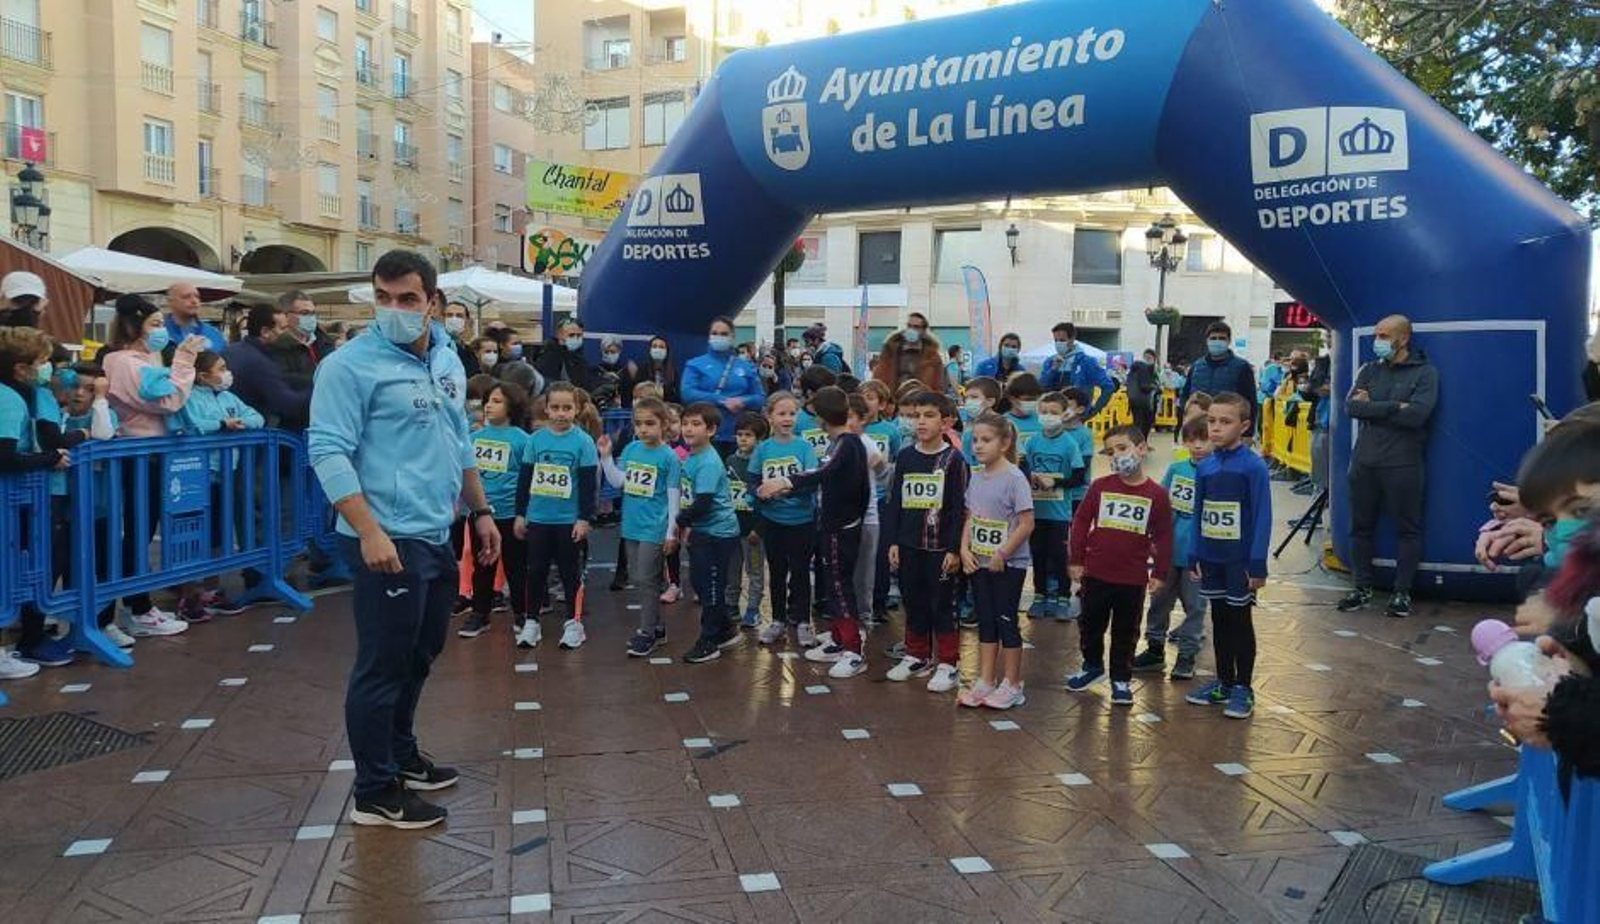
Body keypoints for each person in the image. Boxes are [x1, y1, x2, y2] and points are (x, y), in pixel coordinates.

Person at [307, 249, 500, 829]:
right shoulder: (347, 366)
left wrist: (481, 510)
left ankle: (401, 753)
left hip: (436, 529)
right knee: (383, 664)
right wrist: (368, 531)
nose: (394, 309)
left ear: (432, 303)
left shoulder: (446, 356)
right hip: (385, 537)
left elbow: (459, 439)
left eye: (408, 299)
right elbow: (327, 450)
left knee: (421, 652)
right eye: (383, 298)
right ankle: (375, 792)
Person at [104, 295, 206, 637]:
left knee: (140, 532)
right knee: (134, 532)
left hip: (151, 455)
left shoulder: (143, 359)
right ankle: (134, 608)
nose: (162, 331)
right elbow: (167, 400)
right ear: (135, 326)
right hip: (136, 456)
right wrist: (184, 361)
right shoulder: (124, 363)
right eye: (156, 324)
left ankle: (137, 605)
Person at [758, 386, 872, 678]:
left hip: (841, 528)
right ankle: (837, 639)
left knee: (840, 587)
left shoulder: (848, 443)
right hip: (832, 525)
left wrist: (784, 481)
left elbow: (822, 472)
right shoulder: (839, 443)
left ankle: (854, 650)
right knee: (832, 585)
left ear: (822, 416)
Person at [1337, 315, 1440, 618]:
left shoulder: (1425, 373)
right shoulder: (1369, 369)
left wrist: (1373, 406)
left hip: (1403, 464)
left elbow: (1418, 415)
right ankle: (1361, 588)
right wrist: (1395, 406)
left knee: (1408, 529)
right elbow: (1351, 407)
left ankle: (1401, 593)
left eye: (1384, 336)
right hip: (1364, 461)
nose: (1377, 341)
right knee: (1360, 527)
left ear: (1403, 338)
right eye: (1376, 335)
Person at [1064, 425, 1174, 707]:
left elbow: (1163, 535)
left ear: (1142, 448)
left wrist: (1159, 572)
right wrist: (1076, 558)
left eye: (1122, 448)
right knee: (1090, 624)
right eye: (1110, 452)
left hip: (1132, 578)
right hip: (1096, 573)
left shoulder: (1157, 494)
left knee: (1126, 631)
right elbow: (1080, 522)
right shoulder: (1100, 486)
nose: (1117, 456)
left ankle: (1121, 679)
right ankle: (1092, 666)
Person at [1183, 392, 1271, 720]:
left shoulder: (1253, 466)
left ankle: (1243, 687)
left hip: (1239, 561)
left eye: (1225, 421)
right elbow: (1198, 511)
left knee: (1239, 621)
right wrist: (1194, 553)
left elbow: (1262, 516)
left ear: (1244, 426)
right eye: (1212, 421)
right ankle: (1223, 681)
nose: (1216, 428)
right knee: (1219, 619)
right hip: (1211, 557)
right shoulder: (1205, 466)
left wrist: (1257, 563)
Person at [0, 325, 75, 676]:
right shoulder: (10, 399)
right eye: (42, 361)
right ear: (21, 368)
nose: (48, 368)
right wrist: (50, 457)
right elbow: (5, 456)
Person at [884, 390, 968, 693]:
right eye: (915, 416)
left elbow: (959, 508)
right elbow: (896, 500)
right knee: (913, 600)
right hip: (909, 545)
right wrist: (893, 540)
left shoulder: (954, 460)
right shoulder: (906, 456)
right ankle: (916, 655)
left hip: (940, 548)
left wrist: (954, 548)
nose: (920, 421)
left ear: (945, 422)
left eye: (929, 416)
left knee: (943, 604)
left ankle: (948, 662)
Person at [170, 350, 264, 622]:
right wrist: (221, 424)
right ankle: (189, 595)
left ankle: (211, 591)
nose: (226, 373)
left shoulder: (228, 397)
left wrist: (240, 423)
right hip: (194, 476)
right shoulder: (187, 397)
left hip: (225, 474)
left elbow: (256, 417)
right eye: (221, 368)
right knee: (191, 535)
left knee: (217, 534)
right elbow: (192, 426)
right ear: (202, 375)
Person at [957, 413, 1034, 709]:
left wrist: (1003, 553)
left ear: (1004, 443)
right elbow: (970, 516)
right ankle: (986, 679)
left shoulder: (1015, 478)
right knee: (986, 621)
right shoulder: (976, 476)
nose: (978, 445)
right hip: (979, 562)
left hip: (1008, 565)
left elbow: (1026, 523)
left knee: (1006, 620)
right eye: (975, 440)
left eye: (986, 440)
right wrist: (964, 549)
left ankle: (1012, 683)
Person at [514, 381, 596, 651]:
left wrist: (584, 518)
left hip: (568, 521)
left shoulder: (584, 442)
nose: (561, 413)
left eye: (567, 408)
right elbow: (525, 480)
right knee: (535, 571)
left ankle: (574, 623)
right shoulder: (535, 440)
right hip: (538, 518)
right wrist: (520, 514)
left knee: (569, 572)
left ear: (577, 409)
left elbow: (588, 485)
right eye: (556, 407)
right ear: (546, 409)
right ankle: (532, 621)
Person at [598, 396, 681, 657]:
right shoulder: (632, 449)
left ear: (664, 425)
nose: (643, 429)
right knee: (638, 578)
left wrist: (671, 531)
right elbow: (618, 481)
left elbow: (674, 496)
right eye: (638, 423)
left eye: (650, 423)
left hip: (654, 526)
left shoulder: (669, 457)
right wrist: (606, 457)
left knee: (646, 578)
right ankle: (657, 627)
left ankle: (647, 632)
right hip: (631, 525)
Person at [1133, 415, 1211, 680]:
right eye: (1191, 440)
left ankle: (1187, 655)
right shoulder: (1177, 469)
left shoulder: (1217, 474)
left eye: (1204, 440)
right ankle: (1154, 649)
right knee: (1159, 601)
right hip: (1168, 551)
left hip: (1199, 558)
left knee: (1195, 607)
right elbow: (1160, 503)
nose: (1197, 446)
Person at [459, 381, 531, 640]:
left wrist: (524, 513)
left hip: (511, 514)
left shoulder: (523, 440)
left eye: (497, 401)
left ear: (512, 406)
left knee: (516, 567)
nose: (489, 405)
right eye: (488, 400)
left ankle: (523, 614)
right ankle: (480, 613)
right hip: (481, 513)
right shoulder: (473, 439)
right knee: (482, 566)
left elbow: (528, 479)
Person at [676, 402, 745, 663]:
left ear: (712, 430)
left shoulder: (707, 461)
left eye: (696, 424)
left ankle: (709, 640)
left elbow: (703, 503)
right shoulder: (692, 456)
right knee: (700, 582)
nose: (688, 429)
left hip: (717, 533)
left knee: (711, 586)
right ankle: (725, 629)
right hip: (703, 531)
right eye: (685, 423)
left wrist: (680, 521)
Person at [750, 391, 820, 647]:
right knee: (777, 572)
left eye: (792, 413)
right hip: (773, 520)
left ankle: (803, 621)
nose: (787, 418)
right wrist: (760, 493)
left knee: (800, 572)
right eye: (781, 413)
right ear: (769, 416)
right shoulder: (763, 449)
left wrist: (785, 490)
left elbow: (812, 481)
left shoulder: (804, 447)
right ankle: (778, 620)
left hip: (801, 520)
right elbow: (753, 480)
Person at [1023, 391, 1088, 620]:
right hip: (1035, 511)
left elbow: (1079, 478)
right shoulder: (1032, 441)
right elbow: (1022, 468)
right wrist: (1029, 476)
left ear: (1064, 414)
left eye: (1053, 412)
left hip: (1059, 513)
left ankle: (1062, 597)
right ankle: (1040, 596)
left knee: (1059, 555)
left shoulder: (1069, 444)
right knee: (1038, 554)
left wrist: (1056, 482)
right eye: (1043, 412)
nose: (1048, 416)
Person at [681, 316, 765, 452]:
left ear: (732, 337)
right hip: (706, 434)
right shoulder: (695, 364)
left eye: (724, 334)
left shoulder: (746, 366)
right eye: (714, 333)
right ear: (709, 336)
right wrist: (722, 400)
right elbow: (687, 393)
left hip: (740, 435)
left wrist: (742, 401)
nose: (718, 337)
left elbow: (760, 398)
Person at [728, 412, 767, 628]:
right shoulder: (730, 461)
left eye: (748, 435)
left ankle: (753, 609)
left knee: (755, 570)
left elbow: (765, 500)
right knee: (731, 569)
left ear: (759, 439)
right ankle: (731, 605)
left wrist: (759, 528)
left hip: (753, 530)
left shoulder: (763, 463)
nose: (743, 439)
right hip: (733, 527)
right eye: (740, 434)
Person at [1180, 322, 1257, 430]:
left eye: (1222, 338)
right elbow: (1185, 395)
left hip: (1226, 428)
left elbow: (1250, 403)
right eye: (1213, 338)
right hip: (1198, 428)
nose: (1217, 341)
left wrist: (1248, 433)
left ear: (1229, 341)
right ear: (1207, 341)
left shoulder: (1242, 367)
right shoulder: (1196, 366)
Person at [1039, 323, 1117, 418]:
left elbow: (1108, 387)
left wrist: (1093, 410)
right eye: (1056, 340)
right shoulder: (1050, 361)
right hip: (1053, 415)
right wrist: (1053, 369)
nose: (1058, 344)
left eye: (1062, 340)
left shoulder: (1086, 361)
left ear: (1072, 339)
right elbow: (1042, 386)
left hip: (1076, 416)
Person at [874, 312, 947, 394]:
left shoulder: (932, 356)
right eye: (909, 326)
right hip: (894, 398)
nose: (911, 330)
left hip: (921, 399)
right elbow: (878, 378)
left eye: (916, 327)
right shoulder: (890, 351)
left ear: (923, 331)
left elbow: (939, 385)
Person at [164, 282, 228, 353]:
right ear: (170, 301)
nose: (194, 301)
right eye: (186, 297)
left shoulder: (214, 334)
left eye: (197, 297)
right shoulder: (160, 333)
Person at [532, 319, 594, 391]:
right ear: (559, 335)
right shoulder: (549, 355)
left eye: (579, 335)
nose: (576, 338)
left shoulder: (577, 355)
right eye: (571, 335)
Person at [1003, 372, 1043, 452]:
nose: (1032, 402)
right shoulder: (1003, 422)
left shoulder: (1043, 420)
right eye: (1027, 399)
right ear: (1012, 399)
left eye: (1035, 399)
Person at [595, 334, 637, 407]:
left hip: (624, 409)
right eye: (606, 352)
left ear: (619, 351)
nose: (609, 354)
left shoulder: (626, 370)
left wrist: (634, 376)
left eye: (613, 352)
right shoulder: (595, 370)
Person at [637, 335, 681, 403]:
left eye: (661, 347)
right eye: (654, 346)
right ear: (650, 350)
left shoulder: (673, 373)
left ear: (667, 351)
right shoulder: (642, 370)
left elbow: (677, 397)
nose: (658, 349)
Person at [1126, 349, 1160, 437]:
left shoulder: (1134, 369)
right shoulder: (1144, 368)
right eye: (1148, 358)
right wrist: (1155, 387)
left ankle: (1138, 442)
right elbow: (1144, 386)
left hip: (1134, 401)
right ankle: (1141, 442)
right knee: (1144, 424)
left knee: (1137, 423)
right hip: (1144, 401)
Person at [442, 301, 480, 377]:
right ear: (443, 319)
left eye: (459, 316)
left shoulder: (470, 353)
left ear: (467, 321)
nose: (454, 319)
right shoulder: (435, 349)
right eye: (449, 315)